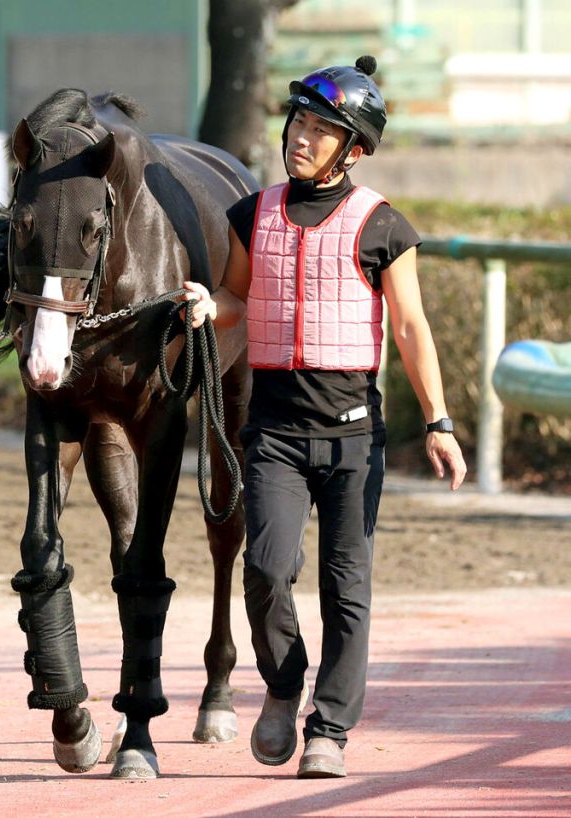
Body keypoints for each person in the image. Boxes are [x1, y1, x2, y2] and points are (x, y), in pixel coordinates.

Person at [182, 57, 466, 778]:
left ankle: (329, 728)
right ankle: (282, 686)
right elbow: (239, 299)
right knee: (266, 570)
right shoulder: (254, 212)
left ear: (355, 148)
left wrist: (439, 422)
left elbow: (409, 328)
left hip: (353, 439)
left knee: (348, 588)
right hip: (273, 432)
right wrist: (212, 307)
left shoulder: (384, 227)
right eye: (297, 123)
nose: (299, 139)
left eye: (320, 129)